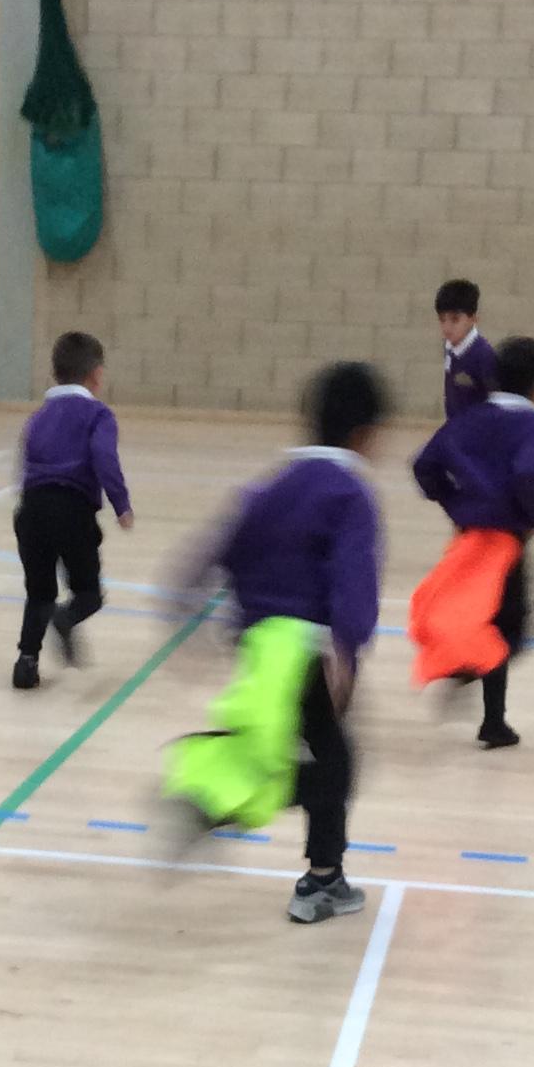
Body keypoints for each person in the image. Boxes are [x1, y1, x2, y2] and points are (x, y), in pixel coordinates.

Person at [164, 360, 388, 926]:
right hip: (310, 649)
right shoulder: (350, 495)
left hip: (261, 645)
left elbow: (218, 550)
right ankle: (313, 875)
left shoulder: (270, 487)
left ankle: (218, 800)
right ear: (366, 434)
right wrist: (347, 647)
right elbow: (353, 577)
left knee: (301, 751)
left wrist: (187, 607)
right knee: (333, 764)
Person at [410, 336, 534, 751]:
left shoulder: (469, 418)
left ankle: (491, 715)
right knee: (515, 629)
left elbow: (425, 466)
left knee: (486, 621)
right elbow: (526, 475)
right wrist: (533, 514)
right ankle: (476, 689)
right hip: (506, 541)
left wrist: (454, 502)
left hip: (468, 536)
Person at [12, 330, 133, 689]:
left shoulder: (38, 417)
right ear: (96, 374)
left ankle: (26, 663)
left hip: (31, 510)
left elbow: (25, 463)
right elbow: (105, 458)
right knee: (88, 594)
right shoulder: (98, 415)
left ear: (55, 373)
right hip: (72, 511)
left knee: (39, 593)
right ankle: (65, 619)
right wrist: (121, 504)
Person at [436, 278, 501, 421]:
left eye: (455, 320)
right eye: (442, 319)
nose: (447, 327)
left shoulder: (483, 355)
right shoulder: (448, 345)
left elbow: (495, 401)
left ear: (473, 319)